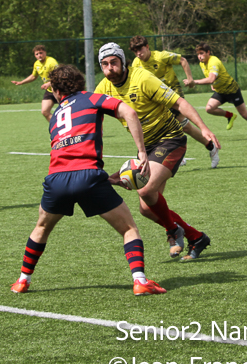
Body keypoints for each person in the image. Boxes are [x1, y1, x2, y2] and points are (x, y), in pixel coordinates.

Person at [10, 63, 166, 296]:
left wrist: (106, 180)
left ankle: (22, 280)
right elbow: (130, 113)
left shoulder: (54, 117)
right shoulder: (91, 98)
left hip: (56, 179)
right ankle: (140, 281)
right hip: (88, 177)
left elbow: (68, 155)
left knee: (41, 227)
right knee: (128, 228)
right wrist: (142, 152)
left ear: (57, 91)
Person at [96, 42, 219, 261]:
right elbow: (90, 116)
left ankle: (172, 231)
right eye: (104, 64)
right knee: (146, 209)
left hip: (170, 139)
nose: (110, 68)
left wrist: (203, 128)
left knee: (145, 190)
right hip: (147, 148)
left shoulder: (142, 78)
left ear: (122, 62)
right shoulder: (103, 88)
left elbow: (179, 103)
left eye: (114, 62)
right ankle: (196, 237)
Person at [129, 35, 220, 169]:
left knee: (180, 126)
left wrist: (190, 79)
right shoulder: (136, 63)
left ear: (147, 47)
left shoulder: (161, 56)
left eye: (140, 49)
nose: (138, 53)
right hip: (156, 99)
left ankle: (204, 147)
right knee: (181, 127)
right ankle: (202, 148)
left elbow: (183, 60)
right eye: (135, 51)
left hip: (172, 94)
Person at [185, 43, 247, 140]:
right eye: (198, 54)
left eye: (202, 53)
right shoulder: (202, 63)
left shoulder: (214, 61)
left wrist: (194, 82)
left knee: (244, 114)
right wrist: (213, 84)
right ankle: (229, 116)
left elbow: (211, 79)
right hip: (220, 91)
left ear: (208, 52)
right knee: (209, 109)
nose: (199, 56)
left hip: (231, 89)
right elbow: (211, 77)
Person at [10, 44, 59, 121]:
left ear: (45, 53)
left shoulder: (51, 62)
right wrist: (21, 82)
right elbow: (33, 76)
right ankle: (58, 126)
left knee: (68, 110)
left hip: (59, 89)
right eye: (37, 54)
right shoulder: (37, 64)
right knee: (45, 111)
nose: (39, 55)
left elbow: (59, 76)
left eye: (41, 53)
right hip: (50, 91)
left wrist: (49, 83)